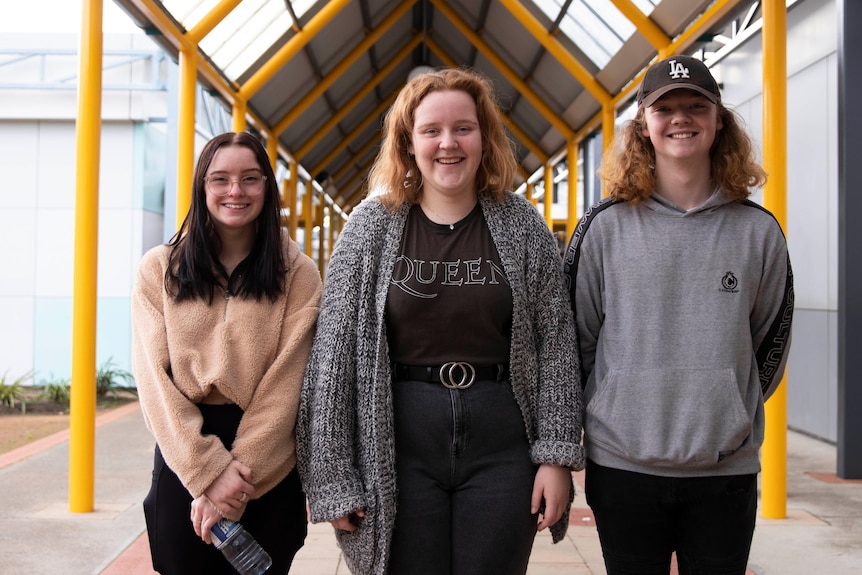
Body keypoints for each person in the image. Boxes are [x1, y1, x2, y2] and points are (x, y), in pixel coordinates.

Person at [296, 67, 585, 575]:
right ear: (409, 143)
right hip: (398, 439)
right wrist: (332, 473)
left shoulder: (521, 226)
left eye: (463, 128)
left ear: (484, 138)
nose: (447, 144)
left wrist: (556, 456)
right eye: (431, 130)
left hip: (501, 442)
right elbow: (332, 355)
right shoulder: (370, 229)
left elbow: (556, 343)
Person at [563, 55, 794, 574]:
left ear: (718, 123)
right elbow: (575, 339)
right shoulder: (604, 228)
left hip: (724, 471)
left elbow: (769, 343)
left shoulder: (758, 232)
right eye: (665, 107)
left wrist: (726, 408)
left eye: (697, 106)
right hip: (622, 467)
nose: (681, 118)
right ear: (643, 124)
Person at [131, 131, 322, 574]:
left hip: (267, 461)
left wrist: (237, 483)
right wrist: (207, 473)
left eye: (249, 178)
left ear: (267, 188)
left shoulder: (298, 273)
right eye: (220, 179)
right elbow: (154, 381)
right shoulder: (159, 269)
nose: (235, 191)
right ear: (202, 188)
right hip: (185, 455)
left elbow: (290, 382)